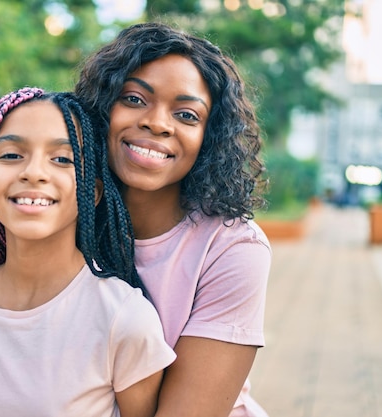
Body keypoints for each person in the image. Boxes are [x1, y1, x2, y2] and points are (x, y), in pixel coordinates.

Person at [0, 88, 176, 417]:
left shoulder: (123, 319)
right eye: (11, 155)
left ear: (91, 193)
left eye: (62, 159)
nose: (34, 172)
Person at [75, 22, 272, 417]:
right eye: (133, 99)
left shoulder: (233, 248)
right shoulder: (63, 218)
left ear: (209, 136)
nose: (158, 123)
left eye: (186, 114)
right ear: (100, 109)